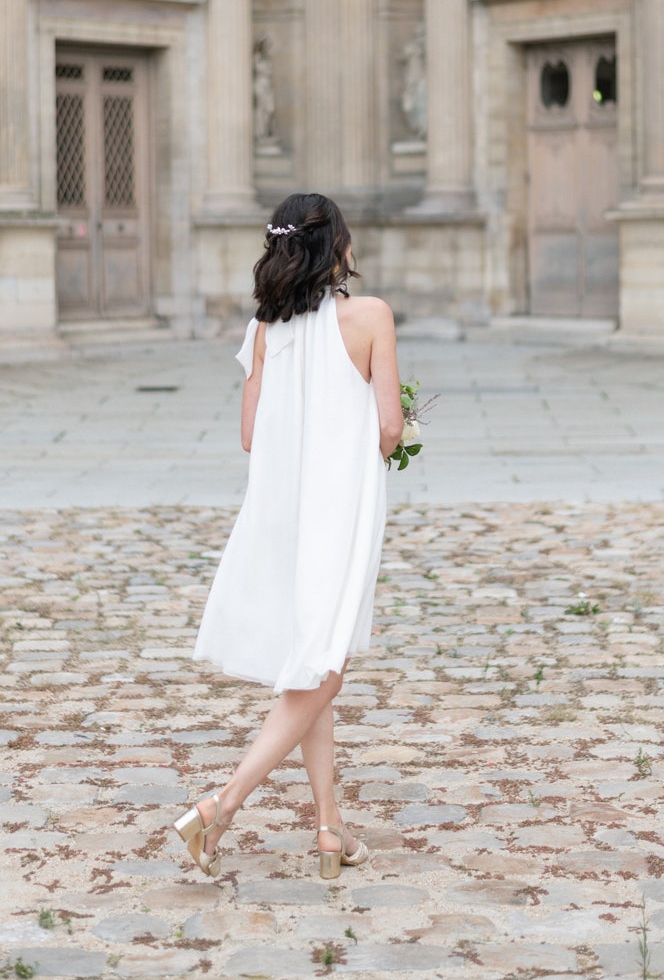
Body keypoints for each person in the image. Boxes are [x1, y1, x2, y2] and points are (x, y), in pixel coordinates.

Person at [174, 193, 404, 880]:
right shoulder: (370, 317)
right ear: (335, 245)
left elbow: (251, 436)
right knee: (322, 668)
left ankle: (330, 826)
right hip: (337, 513)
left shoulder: (265, 330)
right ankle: (219, 806)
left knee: (312, 665)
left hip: (278, 516)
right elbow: (390, 427)